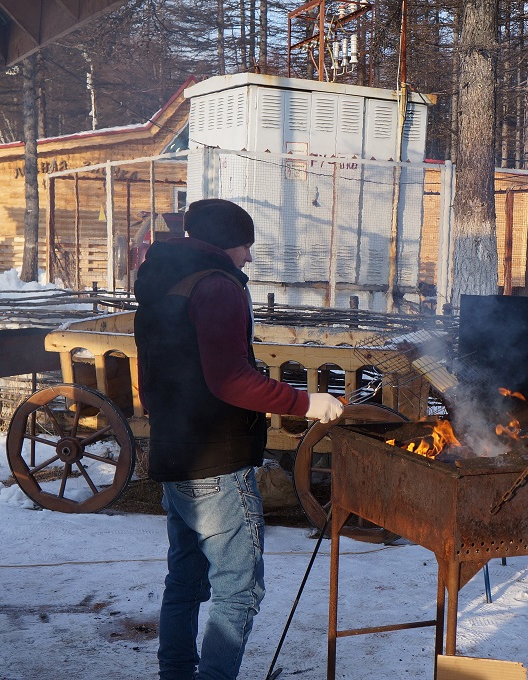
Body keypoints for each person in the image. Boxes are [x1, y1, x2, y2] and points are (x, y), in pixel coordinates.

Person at [133, 198, 344, 680]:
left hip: (175, 453)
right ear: (226, 243)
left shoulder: (162, 279)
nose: (249, 256)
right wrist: (306, 403)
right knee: (239, 590)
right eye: (245, 245)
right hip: (216, 464)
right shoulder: (218, 287)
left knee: (185, 581)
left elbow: (155, 379)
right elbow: (229, 379)